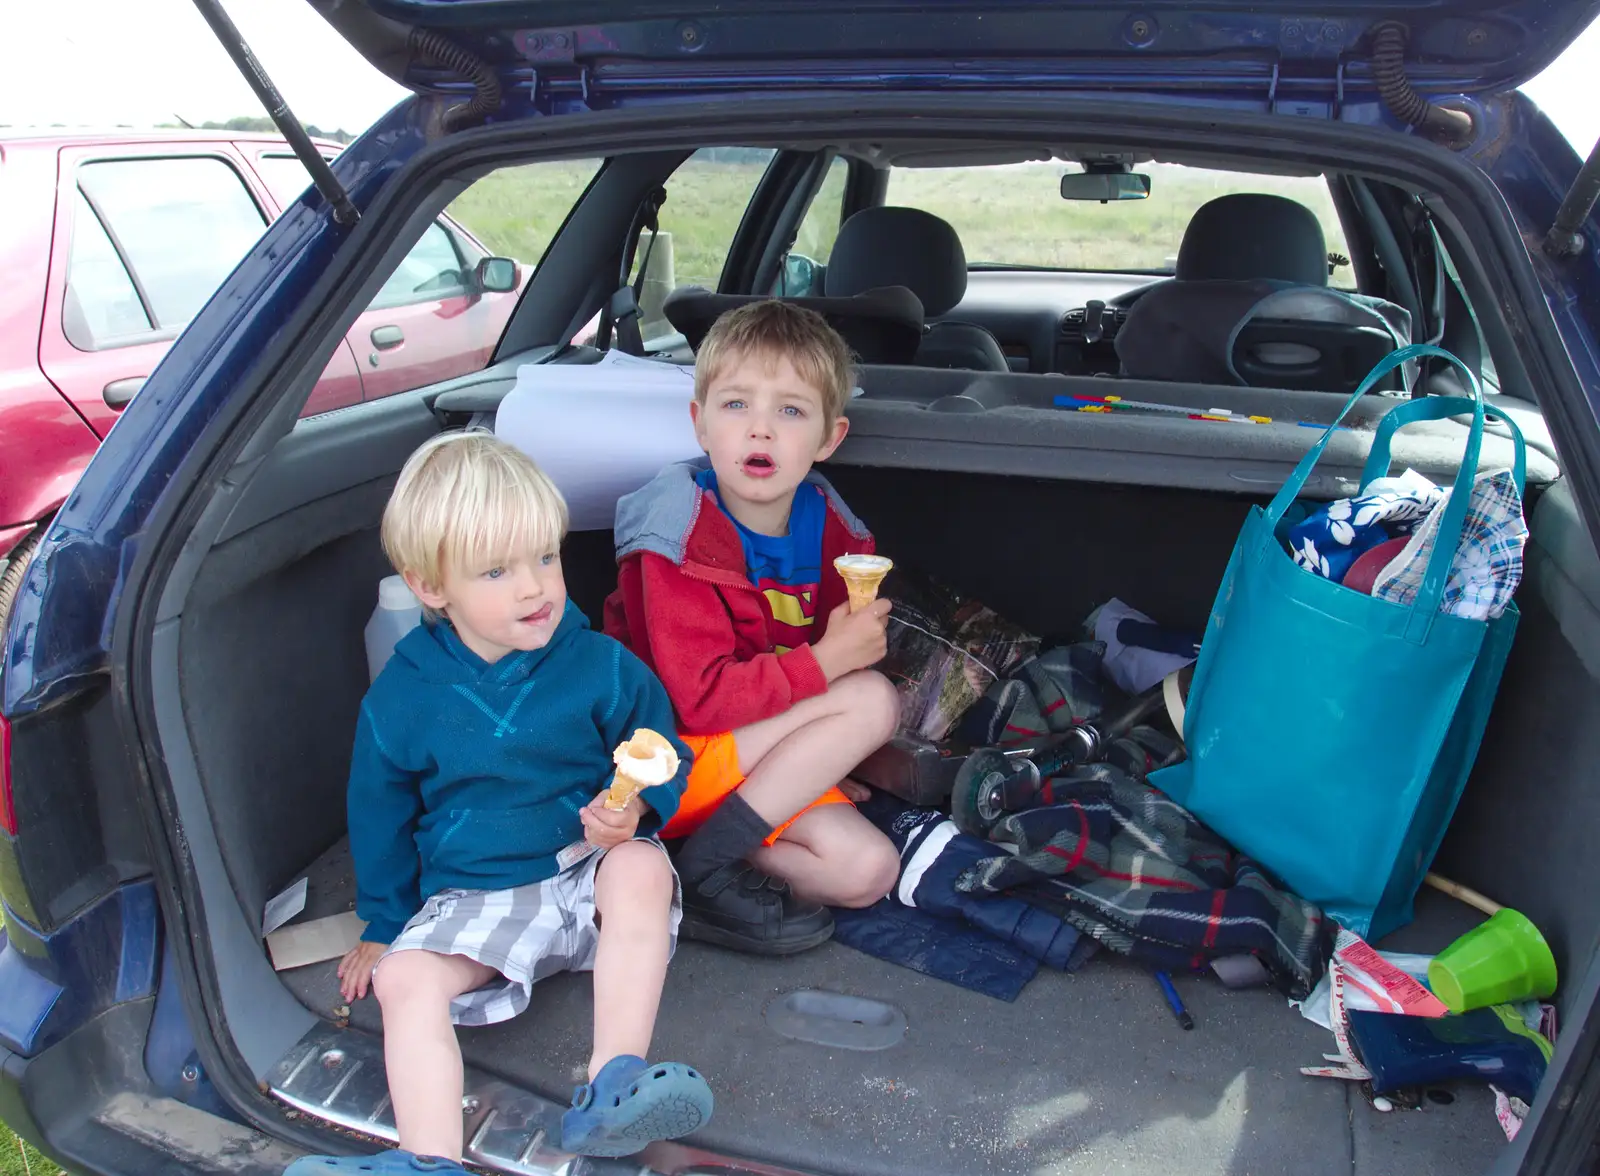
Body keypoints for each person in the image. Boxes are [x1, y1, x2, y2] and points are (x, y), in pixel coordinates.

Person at [289, 432, 711, 1173]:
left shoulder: (600, 666)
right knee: (403, 981)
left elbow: (657, 743)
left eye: (545, 557)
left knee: (641, 870)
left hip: (585, 871)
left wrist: (636, 812)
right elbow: (379, 813)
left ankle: (614, 1084)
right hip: (477, 896)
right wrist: (385, 924)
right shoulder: (403, 696)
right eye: (497, 570)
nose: (535, 587)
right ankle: (429, 1160)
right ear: (430, 587)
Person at [604, 300, 903, 956]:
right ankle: (708, 865)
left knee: (868, 871)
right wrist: (828, 664)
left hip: (748, 760)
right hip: (665, 764)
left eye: (790, 411)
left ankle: (687, 868)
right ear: (700, 423)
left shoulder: (835, 534)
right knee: (873, 700)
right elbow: (700, 703)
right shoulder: (676, 541)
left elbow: (813, 683)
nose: (760, 431)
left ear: (830, 438)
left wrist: (817, 754)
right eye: (737, 405)